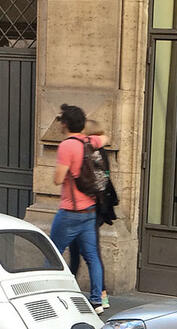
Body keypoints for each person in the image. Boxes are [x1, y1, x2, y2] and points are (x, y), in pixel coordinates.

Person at [52, 104, 108, 313]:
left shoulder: (66, 146)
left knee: (52, 254)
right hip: (89, 210)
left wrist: (65, 171)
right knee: (92, 256)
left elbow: (58, 179)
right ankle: (97, 301)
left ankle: (53, 295)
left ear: (65, 123)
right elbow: (105, 138)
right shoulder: (89, 142)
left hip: (70, 212)